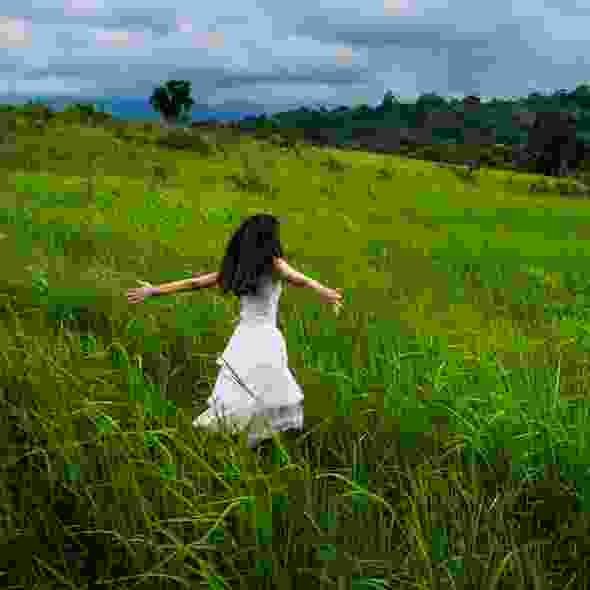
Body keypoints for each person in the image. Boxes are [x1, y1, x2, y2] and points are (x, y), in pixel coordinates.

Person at [126, 213, 343, 448]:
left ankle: (242, 442)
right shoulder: (274, 264)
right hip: (266, 338)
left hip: (243, 338)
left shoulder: (239, 268)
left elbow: (193, 283)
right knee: (270, 392)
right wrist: (325, 291)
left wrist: (153, 290)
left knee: (242, 393)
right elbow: (299, 279)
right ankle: (259, 444)